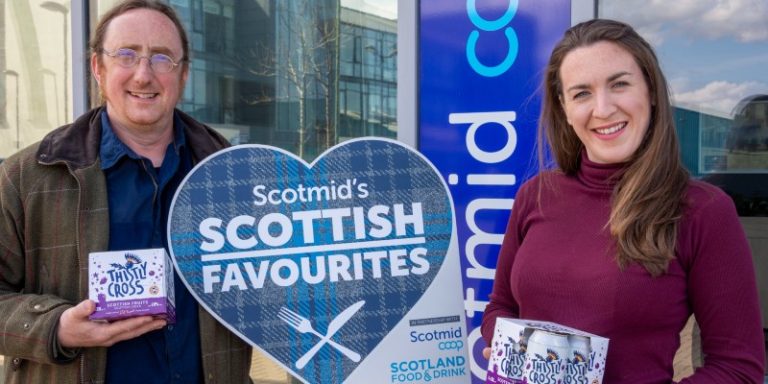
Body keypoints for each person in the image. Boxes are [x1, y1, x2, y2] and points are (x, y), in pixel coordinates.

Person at [481, 19, 765, 383]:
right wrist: (515, 351)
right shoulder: (534, 195)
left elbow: (738, 368)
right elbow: (501, 306)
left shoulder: (702, 210)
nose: (603, 108)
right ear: (565, 110)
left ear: (650, 91)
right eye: (581, 93)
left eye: (619, 84)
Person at [0, 1, 252, 382]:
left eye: (162, 58)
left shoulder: (235, 176)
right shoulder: (27, 178)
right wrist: (57, 327)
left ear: (183, 75)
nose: (143, 74)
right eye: (126, 55)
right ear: (98, 68)